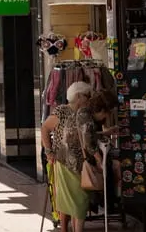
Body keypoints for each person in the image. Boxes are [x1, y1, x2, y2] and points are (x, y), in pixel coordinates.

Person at [40, 82, 93, 232]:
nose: (89, 99)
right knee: (68, 199)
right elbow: (45, 128)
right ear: (78, 96)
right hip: (63, 162)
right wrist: (48, 151)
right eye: (86, 96)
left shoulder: (85, 113)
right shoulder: (62, 111)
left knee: (79, 199)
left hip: (81, 163)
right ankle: (65, 229)